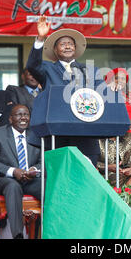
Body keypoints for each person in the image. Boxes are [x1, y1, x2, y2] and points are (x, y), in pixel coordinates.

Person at [25, 15, 105, 167]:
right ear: (55, 50)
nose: (67, 46)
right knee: (59, 179)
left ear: (75, 48)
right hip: (57, 136)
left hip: (85, 136)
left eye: (70, 44)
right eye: (62, 44)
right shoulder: (47, 68)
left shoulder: (90, 70)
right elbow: (32, 65)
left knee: (85, 181)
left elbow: (100, 94)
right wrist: (41, 39)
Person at [0, 104, 41, 239]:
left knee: (48, 187)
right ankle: (18, 235)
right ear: (10, 119)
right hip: (6, 179)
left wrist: (34, 169)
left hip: (30, 179)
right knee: (13, 186)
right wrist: (13, 171)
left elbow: (44, 159)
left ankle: (48, 232)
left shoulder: (36, 134)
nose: (23, 118)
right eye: (19, 115)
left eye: (26, 114)